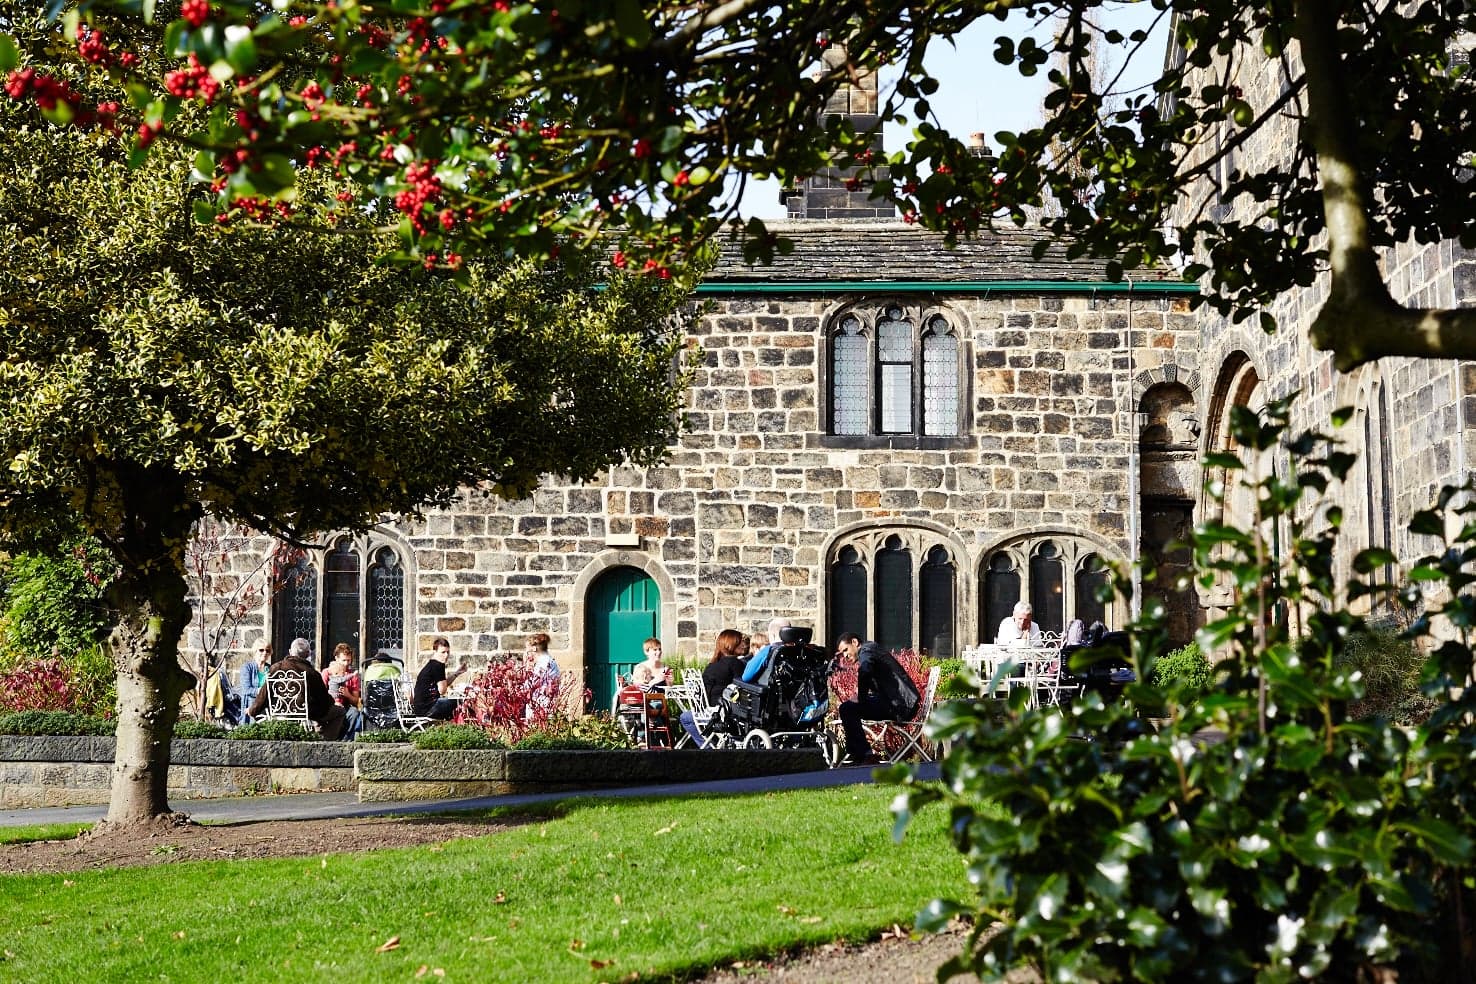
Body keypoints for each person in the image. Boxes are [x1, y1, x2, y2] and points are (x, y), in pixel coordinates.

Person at [835, 632, 920, 766]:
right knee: (849, 708)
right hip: (900, 703)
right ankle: (859, 754)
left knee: (847, 709)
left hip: (900, 707)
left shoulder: (866, 651)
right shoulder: (871, 649)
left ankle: (864, 755)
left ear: (855, 642)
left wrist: (861, 698)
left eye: (846, 650)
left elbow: (865, 670)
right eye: (841, 653)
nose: (845, 656)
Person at [245, 637, 349, 740]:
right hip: (307, 714)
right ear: (308, 654)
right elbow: (324, 701)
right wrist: (333, 701)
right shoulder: (312, 673)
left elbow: (264, 693)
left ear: (290, 652)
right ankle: (322, 740)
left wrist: (252, 710)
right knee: (340, 712)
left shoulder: (276, 668)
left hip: (280, 712)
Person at [678, 629, 748, 747]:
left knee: (685, 718)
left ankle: (707, 746)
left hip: (709, 710)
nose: (743, 644)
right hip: (722, 711)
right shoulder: (736, 663)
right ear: (731, 644)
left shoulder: (713, 664)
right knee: (686, 718)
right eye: (740, 641)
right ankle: (709, 747)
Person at [412, 637, 468, 720]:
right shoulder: (438, 665)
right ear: (435, 652)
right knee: (463, 701)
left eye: (448, 652)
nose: (446, 655)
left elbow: (443, 683)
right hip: (429, 708)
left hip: (421, 709)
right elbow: (442, 690)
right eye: (443, 652)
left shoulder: (432, 664)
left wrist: (456, 673)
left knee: (457, 701)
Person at [322, 643, 363, 738]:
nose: (346, 663)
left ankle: (346, 741)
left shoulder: (352, 676)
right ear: (336, 658)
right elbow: (320, 694)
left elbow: (356, 701)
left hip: (345, 707)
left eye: (348, 660)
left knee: (354, 712)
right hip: (329, 706)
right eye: (343, 660)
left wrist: (348, 695)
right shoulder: (327, 672)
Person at [741, 617, 792, 683]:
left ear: (772, 635)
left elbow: (746, 677)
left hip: (770, 688)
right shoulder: (799, 650)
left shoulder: (768, 650)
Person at [525, 632, 560, 717]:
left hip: (540, 706)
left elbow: (531, 686)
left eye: (527, 648)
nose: (526, 651)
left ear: (533, 648)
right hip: (544, 704)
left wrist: (526, 666)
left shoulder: (543, 663)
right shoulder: (548, 661)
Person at [237, 643, 270, 722]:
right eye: (261, 650)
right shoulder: (247, 667)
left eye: (267, 650)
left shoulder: (270, 669)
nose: (265, 653)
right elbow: (246, 690)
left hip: (266, 707)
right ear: (255, 651)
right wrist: (262, 691)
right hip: (250, 706)